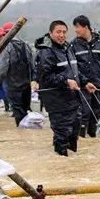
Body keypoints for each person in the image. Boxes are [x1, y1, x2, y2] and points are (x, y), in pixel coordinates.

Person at [35, 20, 82, 156]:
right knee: (62, 134)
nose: (62, 35)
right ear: (51, 33)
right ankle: (61, 161)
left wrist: (85, 82)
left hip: (72, 99)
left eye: (64, 32)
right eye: (58, 32)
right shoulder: (46, 53)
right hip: (57, 102)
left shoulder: (67, 49)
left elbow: (74, 72)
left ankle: (72, 167)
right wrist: (66, 81)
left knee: (74, 132)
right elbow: (46, 78)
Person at [71, 15, 100, 137]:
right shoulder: (74, 45)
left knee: (97, 111)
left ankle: (92, 136)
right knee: (84, 112)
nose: (76, 30)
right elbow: (72, 67)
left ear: (86, 27)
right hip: (83, 85)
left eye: (77, 27)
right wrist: (83, 81)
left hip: (98, 83)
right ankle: (81, 138)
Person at [0, 26, 35, 126]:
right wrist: (33, 79)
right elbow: (32, 63)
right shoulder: (26, 45)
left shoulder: (7, 47)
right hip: (26, 83)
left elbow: (2, 67)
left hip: (13, 84)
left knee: (17, 109)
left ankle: (21, 130)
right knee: (25, 108)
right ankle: (27, 131)